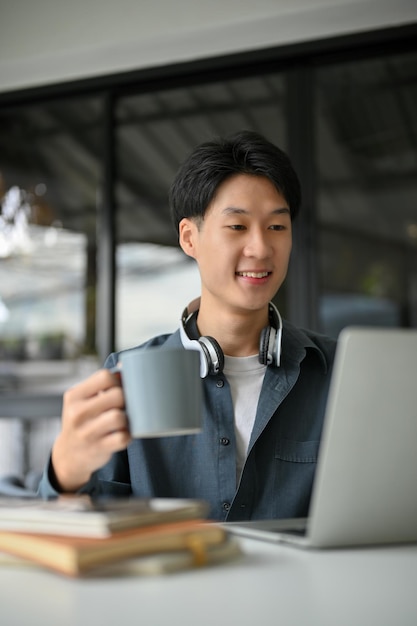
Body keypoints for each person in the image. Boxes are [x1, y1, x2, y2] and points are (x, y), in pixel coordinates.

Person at [38, 130, 336, 521]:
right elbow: (80, 530)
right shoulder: (128, 376)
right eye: (237, 227)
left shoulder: (338, 369)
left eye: (277, 227)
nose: (261, 248)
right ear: (189, 238)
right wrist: (66, 472)